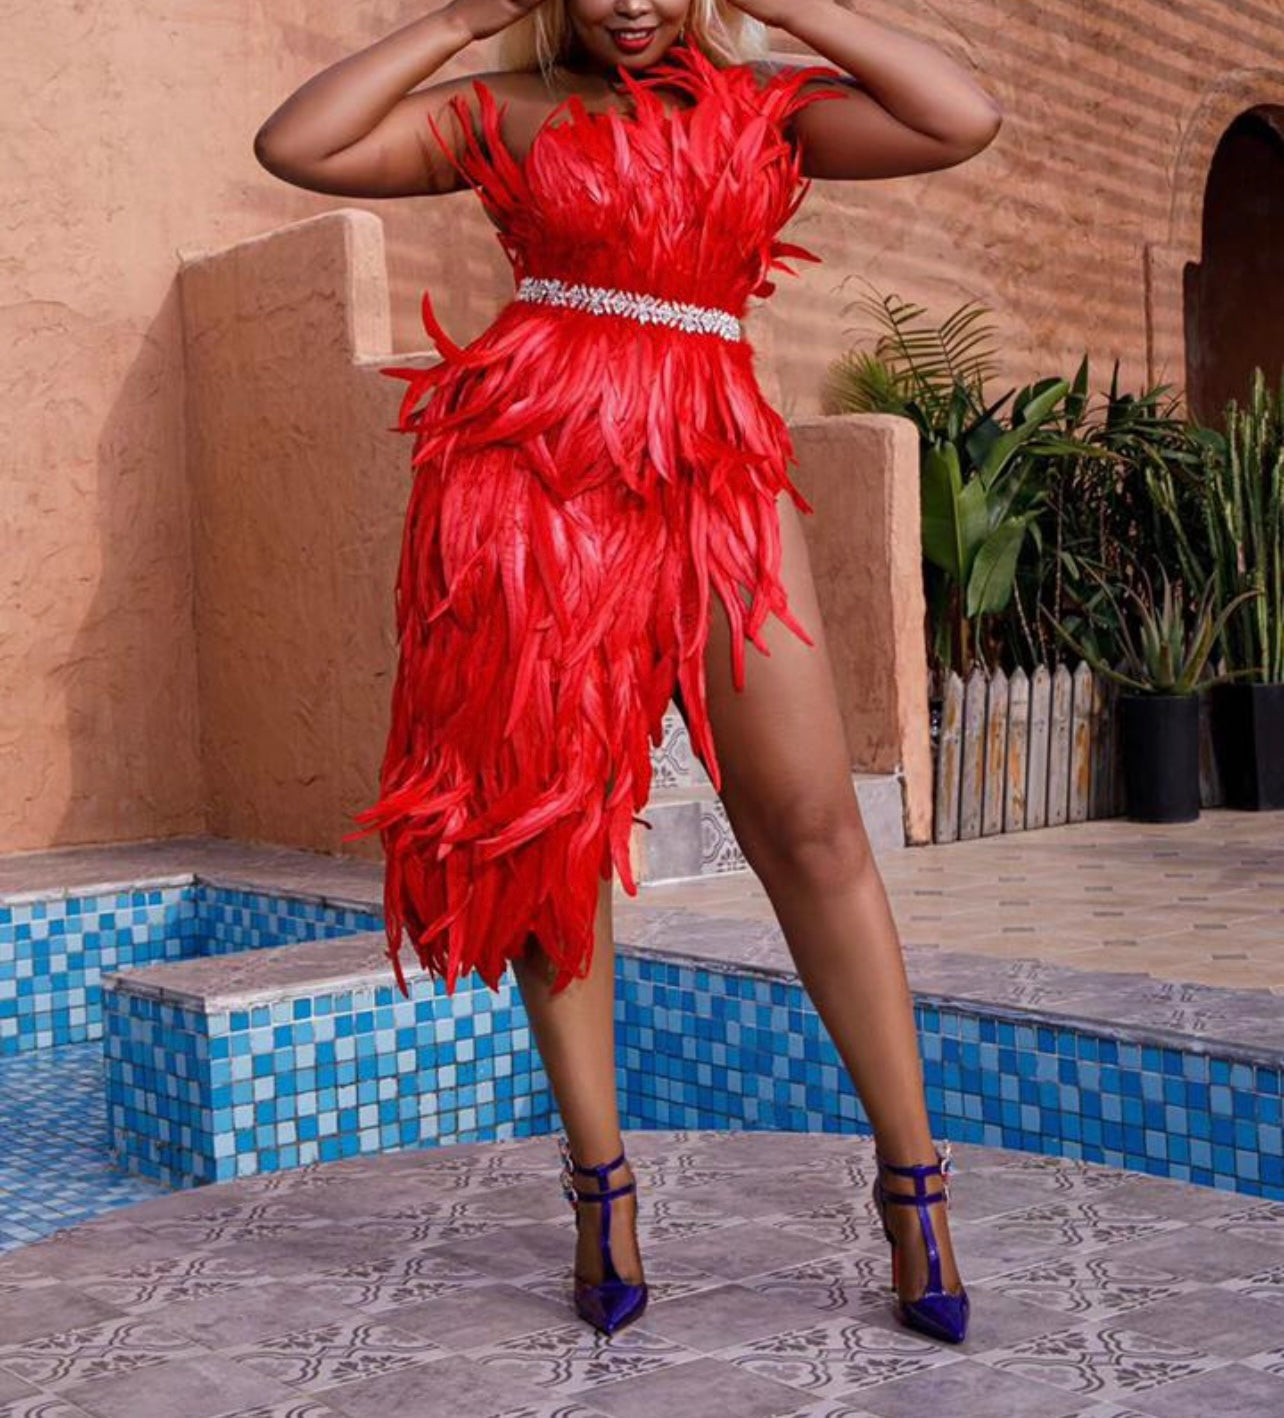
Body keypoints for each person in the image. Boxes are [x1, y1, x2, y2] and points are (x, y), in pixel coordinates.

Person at [255, 0, 1001, 1344]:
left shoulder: (772, 107)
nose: (634, 2)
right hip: (531, 485)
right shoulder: (510, 111)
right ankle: (600, 1182)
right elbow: (296, 144)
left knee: (816, 825)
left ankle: (913, 1180)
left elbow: (963, 117)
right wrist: (466, 24)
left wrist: (786, 9)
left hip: (712, 466)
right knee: (554, 841)